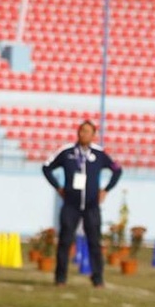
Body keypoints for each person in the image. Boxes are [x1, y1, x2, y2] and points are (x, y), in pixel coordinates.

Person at [42, 120, 122, 288]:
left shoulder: (99, 154)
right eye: (81, 131)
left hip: (92, 206)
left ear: (93, 135)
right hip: (71, 205)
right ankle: (60, 278)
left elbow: (117, 169)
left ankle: (98, 278)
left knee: (94, 242)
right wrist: (58, 187)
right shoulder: (67, 152)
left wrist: (106, 189)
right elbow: (46, 167)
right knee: (65, 241)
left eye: (87, 131)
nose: (83, 134)